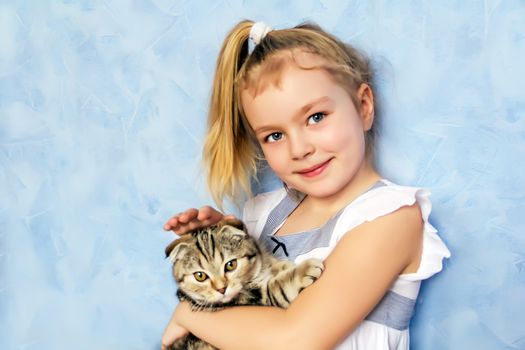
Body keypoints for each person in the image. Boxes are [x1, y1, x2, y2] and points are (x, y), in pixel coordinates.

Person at [161, 20, 451, 350]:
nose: (300, 149)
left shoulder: (389, 217)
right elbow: (247, 313)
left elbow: (295, 340)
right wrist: (219, 244)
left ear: (363, 106)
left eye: (316, 117)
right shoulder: (266, 213)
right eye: (274, 135)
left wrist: (189, 312)